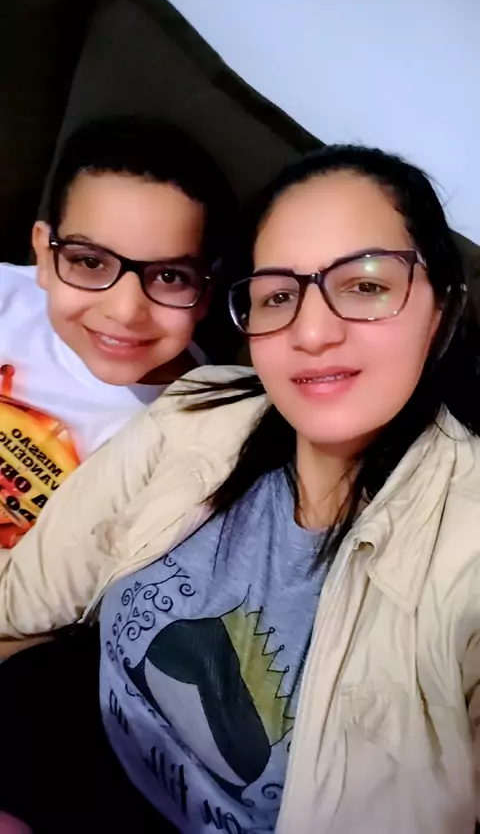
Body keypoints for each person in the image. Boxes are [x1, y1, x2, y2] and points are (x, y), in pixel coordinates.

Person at [0, 144, 479, 834]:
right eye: (279, 295)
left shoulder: (467, 549)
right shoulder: (199, 412)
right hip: (54, 740)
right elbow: (20, 604)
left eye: (365, 285)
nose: (312, 331)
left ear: (441, 308)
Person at [0, 114, 236, 550]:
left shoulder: (192, 430)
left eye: (169, 276)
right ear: (45, 256)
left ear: (207, 291)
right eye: (91, 262)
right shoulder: (5, 299)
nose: (125, 312)